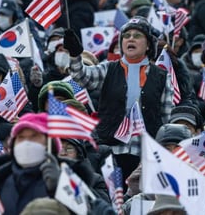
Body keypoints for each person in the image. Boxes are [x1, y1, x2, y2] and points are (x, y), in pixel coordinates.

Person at [65, 17, 174, 178]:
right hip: (111, 150)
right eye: (126, 35)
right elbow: (82, 76)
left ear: (148, 44)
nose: (130, 38)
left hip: (146, 154)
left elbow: (165, 119)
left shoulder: (162, 76)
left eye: (137, 36)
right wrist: (75, 55)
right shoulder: (108, 68)